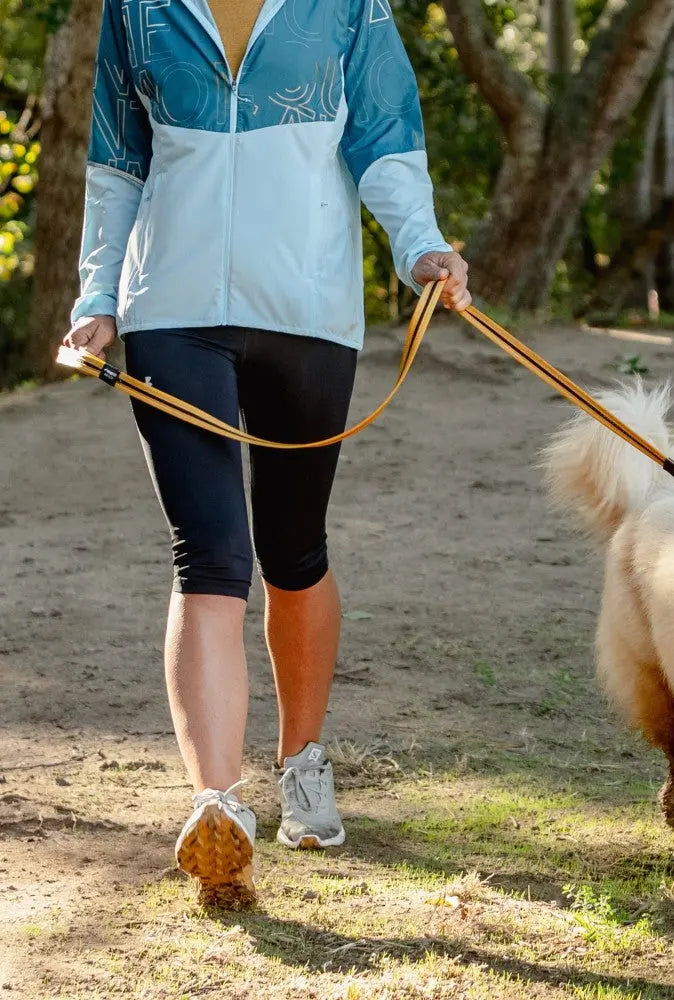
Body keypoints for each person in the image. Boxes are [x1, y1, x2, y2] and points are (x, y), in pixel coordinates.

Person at [61, 0, 470, 907]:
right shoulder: (139, 8)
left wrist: (422, 248)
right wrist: (97, 294)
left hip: (308, 310)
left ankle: (302, 762)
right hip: (169, 309)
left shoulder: (349, 6)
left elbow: (387, 136)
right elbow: (115, 159)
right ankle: (218, 807)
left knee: (293, 552)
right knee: (209, 559)